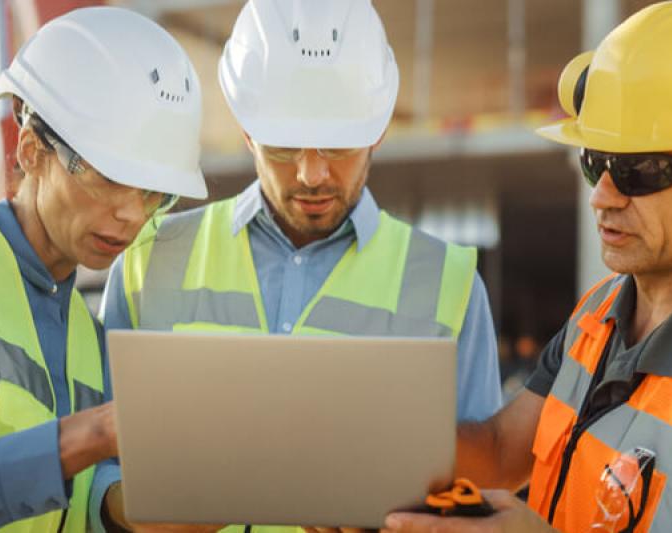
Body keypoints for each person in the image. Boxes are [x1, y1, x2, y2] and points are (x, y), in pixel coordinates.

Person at [384, 3, 672, 532]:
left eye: (639, 170)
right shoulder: (596, 314)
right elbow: (497, 452)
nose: (602, 196)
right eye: (595, 162)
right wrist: (364, 458)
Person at [94, 0, 503, 531]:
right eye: (284, 147)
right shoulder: (149, 260)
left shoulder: (450, 286)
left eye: (337, 146)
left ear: (377, 131)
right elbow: (95, 466)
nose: (311, 174)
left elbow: (481, 497)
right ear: (246, 130)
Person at [0, 7, 208, 531]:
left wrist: (141, 512)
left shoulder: (91, 340)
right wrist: (89, 436)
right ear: (31, 150)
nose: (132, 215)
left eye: (154, 193)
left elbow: (78, 506)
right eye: (111, 179)